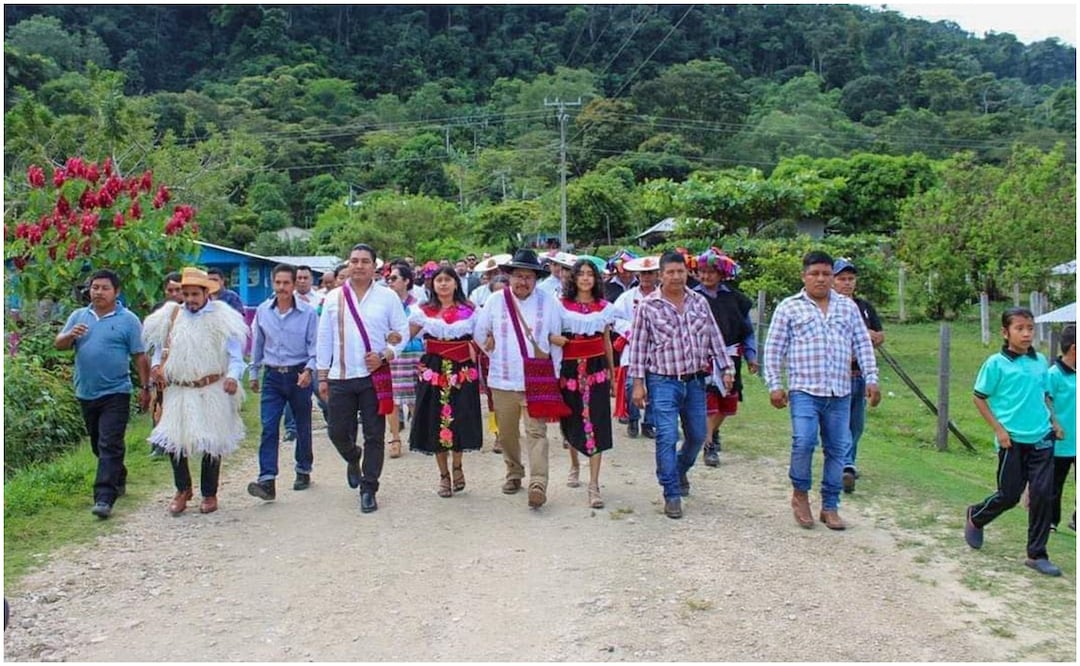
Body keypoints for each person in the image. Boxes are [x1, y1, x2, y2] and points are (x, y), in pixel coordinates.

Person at [764, 251, 881, 531]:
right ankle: (800, 495)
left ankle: (830, 506)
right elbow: (774, 348)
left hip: (840, 390)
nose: (821, 279)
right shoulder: (789, 307)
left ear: (832, 277)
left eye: (826, 274)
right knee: (803, 442)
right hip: (805, 389)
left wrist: (871, 378)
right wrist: (775, 384)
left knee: (838, 448)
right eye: (814, 274)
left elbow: (863, 345)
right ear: (804, 276)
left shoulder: (848, 308)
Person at [628, 252, 733, 519]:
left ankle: (678, 470)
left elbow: (714, 337)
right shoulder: (648, 306)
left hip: (696, 380)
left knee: (698, 435)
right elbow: (638, 348)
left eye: (680, 271)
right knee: (666, 436)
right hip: (662, 381)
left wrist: (726, 367)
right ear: (661, 275)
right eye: (670, 272)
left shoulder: (699, 302)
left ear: (687, 273)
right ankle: (671, 492)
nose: (676, 276)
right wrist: (638, 383)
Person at [963, 308, 1066, 576]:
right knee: (1009, 495)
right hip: (1012, 441)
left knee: (1043, 495)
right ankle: (976, 516)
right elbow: (979, 397)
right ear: (1005, 332)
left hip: (1042, 437)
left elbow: (1045, 395)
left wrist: (1053, 421)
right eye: (1019, 328)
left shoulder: (1040, 361)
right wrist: (998, 430)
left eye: (1030, 328)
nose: (1026, 334)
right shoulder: (996, 363)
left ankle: (1037, 554)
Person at [143, 267, 248, 516]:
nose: (190, 299)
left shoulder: (223, 318)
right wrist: (157, 366)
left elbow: (235, 356)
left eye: (194, 294)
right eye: (186, 294)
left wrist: (233, 377)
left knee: (212, 442)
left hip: (211, 388)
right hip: (178, 389)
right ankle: (183, 489)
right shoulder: (170, 316)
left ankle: (209, 493)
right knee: (174, 440)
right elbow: (160, 347)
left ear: (206, 293)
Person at [317, 244, 409, 514]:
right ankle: (352, 456)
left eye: (365, 261)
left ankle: (369, 487)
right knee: (337, 431)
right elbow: (324, 338)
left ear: (374, 267)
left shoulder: (387, 297)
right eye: (354, 261)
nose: (359, 266)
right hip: (340, 376)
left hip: (373, 376)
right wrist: (322, 376)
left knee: (374, 434)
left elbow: (401, 331)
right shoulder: (333, 298)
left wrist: (386, 354)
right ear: (348, 264)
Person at [55, 269, 151, 519]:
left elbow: (139, 356)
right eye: (94, 287)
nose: (97, 292)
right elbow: (59, 344)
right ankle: (118, 475)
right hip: (86, 391)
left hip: (116, 391)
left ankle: (104, 498)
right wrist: (69, 335)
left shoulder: (128, 320)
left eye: (104, 288)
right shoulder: (79, 316)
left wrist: (145, 388)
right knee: (99, 444)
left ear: (116, 292)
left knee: (110, 443)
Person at [474, 248, 562, 509]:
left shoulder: (548, 302)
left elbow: (555, 341)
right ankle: (514, 472)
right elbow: (480, 333)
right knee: (508, 432)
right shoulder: (495, 301)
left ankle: (538, 483)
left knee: (536, 431)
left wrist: (553, 374)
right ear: (509, 276)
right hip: (502, 377)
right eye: (519, 276)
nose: (523, 282)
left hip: (536, 379)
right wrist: (491, 348)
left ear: (536, 279)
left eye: (529, 277)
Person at [408, 267, 483, 496]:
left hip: (462, 370)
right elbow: (403, 336)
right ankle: (443, 475)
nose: (443, 284)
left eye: (447, 279)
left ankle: (458, 466)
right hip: (434, 369)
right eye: (438, 280)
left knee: (460, 417)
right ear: (432, 285)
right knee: (434, 419)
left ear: (456, 283)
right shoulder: (423, 311)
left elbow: (482, 338)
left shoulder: (470, 311)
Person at [246, 264, 318, 502]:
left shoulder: (307, 313)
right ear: (272, 283)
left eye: (286, 283)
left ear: (294, 284)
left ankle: (303, 469)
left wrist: (309, 370)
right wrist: (254, 373)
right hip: (273, 375)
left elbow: (314, 347)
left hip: (299, 374)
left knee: (301, 423)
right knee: (269, 425)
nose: (282, 288)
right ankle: (267, 479)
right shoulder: (264, 311)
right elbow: (257, 344)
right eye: (278, 283)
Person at [549, 258, 615, 508]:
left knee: (597, 423)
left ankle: (594, 484)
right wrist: (556, 340)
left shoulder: (604, 307)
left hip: (596, 369)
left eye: (590, 274)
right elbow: (549, 334)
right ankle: (574, 464)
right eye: (581, 274)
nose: (586, 278)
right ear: (574, 279)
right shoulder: (560, 306)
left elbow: (606, 341)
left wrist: (612, 375)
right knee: (573, 419)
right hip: (570, 369)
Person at [694, 248, 758, 467]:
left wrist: (751, 355)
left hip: (731, 356)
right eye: (702, 271)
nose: (706, 276)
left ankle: (712, 432)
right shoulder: (691, 297)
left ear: (721, 274)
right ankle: (708, 445)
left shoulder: (736, 299)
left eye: (711, 271)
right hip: (703, 358)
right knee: (708, 402)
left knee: (727, 405)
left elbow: (747, 330)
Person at [831, 258, 885, 492]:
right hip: (836, 374)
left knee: (856, 424)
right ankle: (845, 464)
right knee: (837, 422)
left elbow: (879, 335)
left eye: (850, 279)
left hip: (860, 374)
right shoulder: (828, 307)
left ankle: (847, 463)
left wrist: (870, 335)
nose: (846, 283)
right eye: (842, 279)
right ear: (833, 281)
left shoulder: (863, 307)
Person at [611, 256, 661, 439]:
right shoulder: (627, 297)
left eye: (651, 273)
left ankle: (649, 422)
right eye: (644, 273)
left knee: (656, 385)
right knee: (632, 384)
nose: (647, 277)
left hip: (658, 349)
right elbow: (615, 319)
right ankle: (632, 418)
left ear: (657, 275)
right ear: (638, 275)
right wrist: (630, 330)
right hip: (633, 347)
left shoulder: (662, 296)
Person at [386, 262, 424, 458]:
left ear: (406, 280)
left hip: (413, 354)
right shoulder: (385, 303)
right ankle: (394, 437)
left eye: (394, 278)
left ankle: (417, 433)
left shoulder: (417, 304)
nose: (390, 282)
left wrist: (396, 336)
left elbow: (416, 330)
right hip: (391, 355)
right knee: (391, 397)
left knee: (415, 396)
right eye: (389, 279)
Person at [148, 270, 184, 456]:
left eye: (178, 290)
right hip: (161, 364)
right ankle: (158, 444)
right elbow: (155, 343)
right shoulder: (158, 310)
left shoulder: (190, 311)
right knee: (158, 403)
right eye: (170, 290)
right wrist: (155, 366)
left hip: (183, 368)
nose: (174, 294)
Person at [1048, 324, 1076, 532]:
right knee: (1055, 484)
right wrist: (1055, 423)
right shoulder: (1054, 374)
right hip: (1062, 442)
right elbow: (1044, 401)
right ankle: (1050, 521)